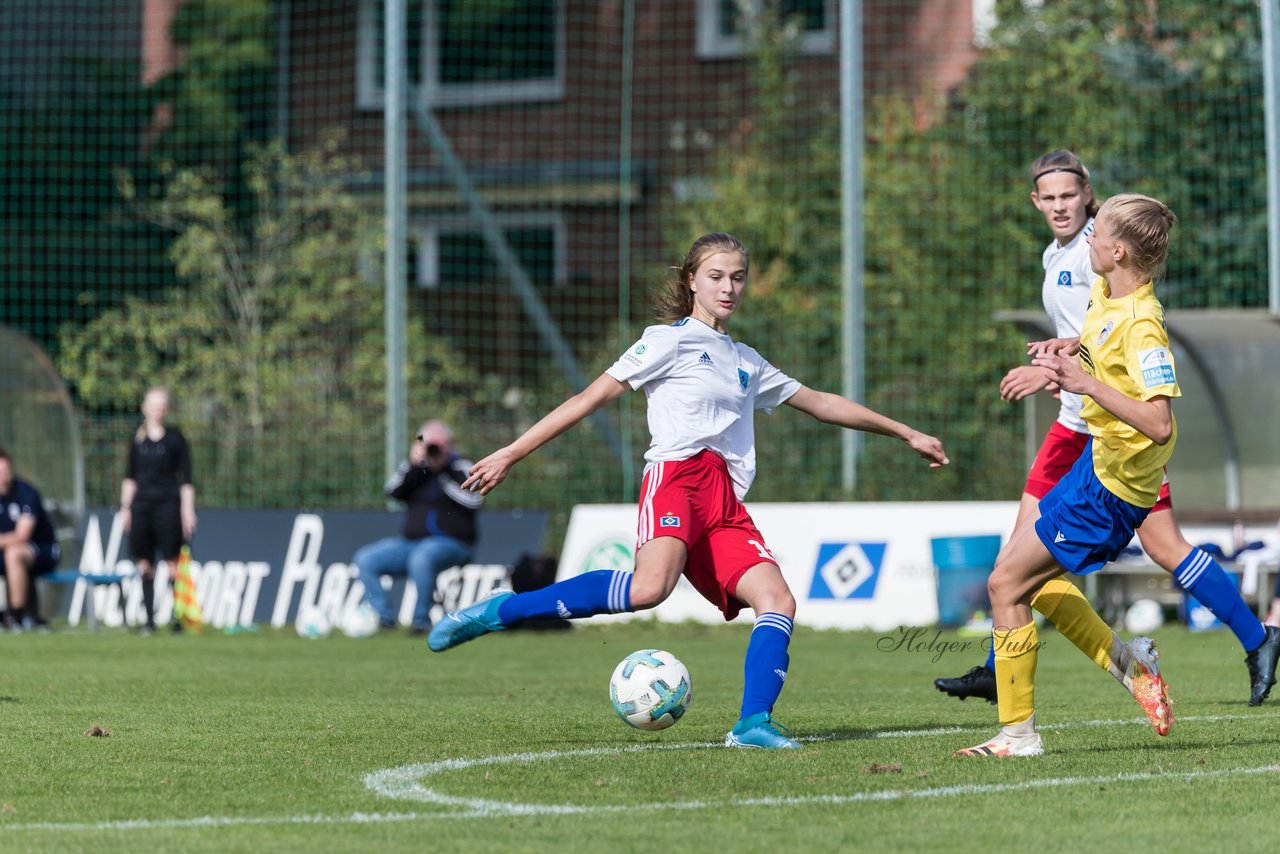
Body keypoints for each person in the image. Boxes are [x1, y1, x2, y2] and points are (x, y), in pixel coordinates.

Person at [427, 232, 950, 749]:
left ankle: (751, 725)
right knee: (648, 589)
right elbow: (590, 397)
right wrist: (511, 453)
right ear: (692, 282)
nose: (729, 288)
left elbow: (820, 402)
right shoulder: (666, 341)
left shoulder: (746, 360)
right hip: (676, 478)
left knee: (778, 600)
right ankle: (501, 611)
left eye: (738, 277)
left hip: (723, 496)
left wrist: (906, 432)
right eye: (717, 277)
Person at [936, 151, 1280, 708]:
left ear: (1087, 194)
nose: (1059, 207)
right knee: (1030, 561)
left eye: (1068, 196)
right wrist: (1061, 354)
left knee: (1032, 564)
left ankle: (1042, 678)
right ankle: (1245, 641)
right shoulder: (1061, 257)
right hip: (1086, 425)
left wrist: (1055, 371)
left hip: (1102, 432)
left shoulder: (1107, 261)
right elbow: (1095, 336)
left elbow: (1139, 376)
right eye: (1047, 198)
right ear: (1035, 202)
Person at [955, 193, 1191, 757]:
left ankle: (1019, 736)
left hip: (1113, 492)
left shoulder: (1145, 326)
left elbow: (1160, 423)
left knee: (1005, 584)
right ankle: (1128, 664)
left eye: (1096, 232)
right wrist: (1062, 359)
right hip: (1095, 468)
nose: (1086, 238)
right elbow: (1095, 350)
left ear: (1118, 249)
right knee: (1020, 580)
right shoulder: (1106, 294)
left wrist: (1086, 386)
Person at [354, 419, 483, 634]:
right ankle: (384, 618)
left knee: (422, 558)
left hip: (453, 544)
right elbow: (392, 491)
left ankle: (421, 621)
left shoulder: (460, 467)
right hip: (410, 543)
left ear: (448, 445)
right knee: (366, 559)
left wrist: (442, 474)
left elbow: (474, 501)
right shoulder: (415, 469)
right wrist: (415, 466)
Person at [120, 387, 197, 635]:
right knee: (145, 563)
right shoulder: (137, 438)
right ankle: (149, 621)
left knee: (172, 561)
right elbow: (130, 476)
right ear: (145, 407)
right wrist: (125, 508)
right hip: (142, 506)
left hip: (168, 506)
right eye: (154, 404)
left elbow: (186, 479)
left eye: (162, 405)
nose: (158, 409)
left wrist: (187, 510)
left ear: (167, 409)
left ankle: (177, 619)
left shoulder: (176, 438)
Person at [0, 447, 61, 631]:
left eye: (7, 471)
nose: (4, 476)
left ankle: (17, 618)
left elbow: (22, 536)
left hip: (42, 550)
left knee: (14, 553)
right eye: (0, 472)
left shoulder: (26, 493)